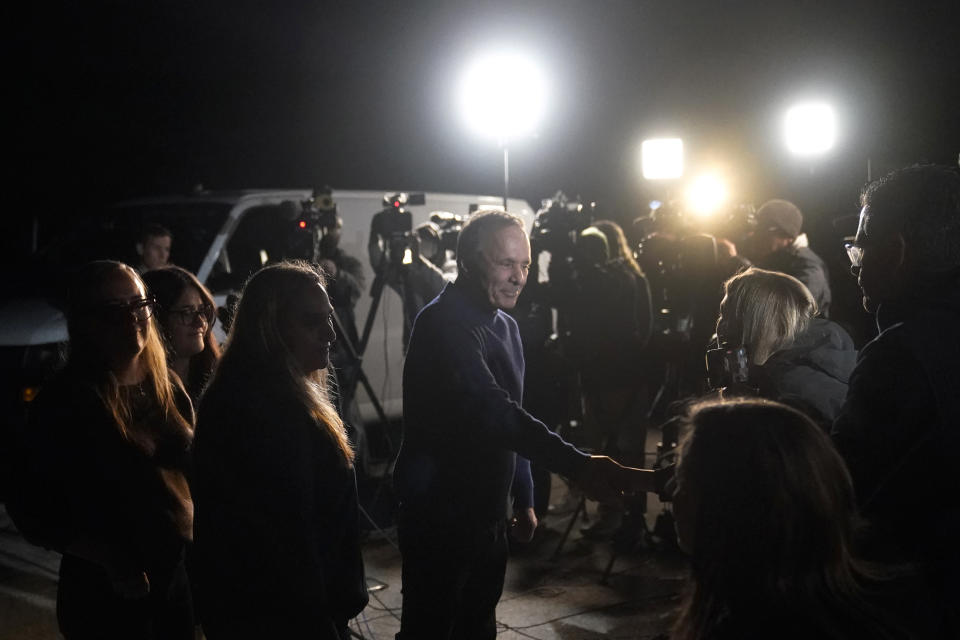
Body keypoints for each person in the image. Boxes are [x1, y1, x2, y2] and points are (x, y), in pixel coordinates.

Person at [394, 209, 660, 639]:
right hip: (438, 515)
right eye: (505, 263)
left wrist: (523, 497)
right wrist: (579, 464)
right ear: (466, 261)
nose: (519, 277)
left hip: (487, 514)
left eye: (525, 265)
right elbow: (492, 411)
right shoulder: (443, 324)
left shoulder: (506, 326)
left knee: (478, 626)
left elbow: (510, 419)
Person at [9, 260, 195, 639]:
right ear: (86, 321)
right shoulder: (67, 402)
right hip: (108, 596)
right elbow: (30, 508)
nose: (132, 319)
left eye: (139, 305)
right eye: (114, 310)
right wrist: (110, 559)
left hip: (175, 583)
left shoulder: (167, 386)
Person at [192, 261, 367, 639]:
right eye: (311, 321)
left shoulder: (280, 395)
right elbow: (282, 541)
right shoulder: (260, 410)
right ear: (269, 327)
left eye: (328, 318)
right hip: (284, 620)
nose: (330, 334)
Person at [671, 399, 931, 639]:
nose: (674, 496)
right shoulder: (877, 613)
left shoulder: (746, 626)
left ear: (732, 501)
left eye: (685, 481)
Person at [832, 164, 960, 634]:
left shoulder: (900, 358)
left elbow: (844, 497)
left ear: (897, 252)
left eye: (859, 246)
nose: (856, 263)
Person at [715, 267, 856, 426]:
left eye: (727, 314)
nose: (720, 326)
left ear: (759, 321)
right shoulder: (821, 362)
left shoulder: (784, 386)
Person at [142, 266, 220, 403]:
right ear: (157, 320)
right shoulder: (141, 396)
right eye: (187, 312)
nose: (200, 322)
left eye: (202, 310)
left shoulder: (218, 381)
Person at [744, 199, 831, 316]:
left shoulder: (807, 266)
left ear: (785, 234)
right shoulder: (776, 260)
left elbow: (787, 311)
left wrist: (735, 264)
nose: (755, 236)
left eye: (762, 231)